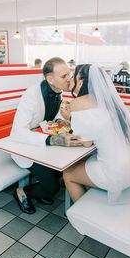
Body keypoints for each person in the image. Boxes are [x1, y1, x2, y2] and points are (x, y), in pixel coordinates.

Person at [63, 64, 130, 203]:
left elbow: (86, 142)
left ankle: (82, 213)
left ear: (81, 82)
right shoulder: (110, 101)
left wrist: (68, 117)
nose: (70, 80)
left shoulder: (78, 102)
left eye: (72, 77)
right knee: (83, 162)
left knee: (67, 174)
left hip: (116, 174)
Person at [11, 57, 83, 214]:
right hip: (25, 147)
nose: (69, 79)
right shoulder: (31, 95)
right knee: (53, 187)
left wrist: (61, 122)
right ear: (50, 79)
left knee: (61, 171)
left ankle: (39, 192)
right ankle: (22, 193)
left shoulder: (58, 92)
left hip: (42, 145)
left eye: (69, 75)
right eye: (64, 77)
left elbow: (51, 117)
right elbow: (17, 132)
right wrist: (53, 139)